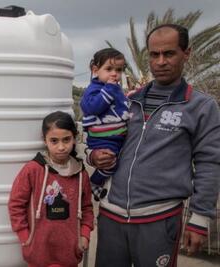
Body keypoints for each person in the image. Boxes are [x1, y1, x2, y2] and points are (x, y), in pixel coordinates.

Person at [89, 24, 220, 267]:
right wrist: (93, 156)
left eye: (169, 53)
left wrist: (199, 220)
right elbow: (98, 135)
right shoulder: (127, 101)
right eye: (154, 54)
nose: (160, 61)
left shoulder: (201, 107)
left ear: (186, 53)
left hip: (159, 221)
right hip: (110, 217)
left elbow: (210, 163)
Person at [8, 111, 94, 267]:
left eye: (66, 140)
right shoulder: (33, 170)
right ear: (45, 140)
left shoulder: (81, 173)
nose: (61, 147)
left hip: (70, 255)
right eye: (54, 141)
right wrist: (26, 237)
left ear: (74, 138)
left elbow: (87, 207)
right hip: (38, 255)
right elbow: (16, 204)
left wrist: (85, 235)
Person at [80, 48, 130, 201]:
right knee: (111, 163)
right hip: (102, 139)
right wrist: (108, 89)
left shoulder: (115, 89)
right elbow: (91, 107)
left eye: (118, 70)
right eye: (109, 69)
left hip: (114, 137)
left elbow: (121, 107)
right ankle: (94, 182)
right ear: (95, 70)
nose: (114, 74)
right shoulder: (94, 89)